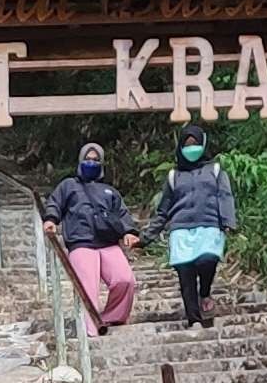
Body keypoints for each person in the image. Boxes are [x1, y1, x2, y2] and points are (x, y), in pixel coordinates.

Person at [40, 139, 138, 330]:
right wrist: (51, 219)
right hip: (81, 242)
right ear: (80, 160)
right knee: (88, 287)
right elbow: (55, 203)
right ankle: (90, 329)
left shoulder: (110, 191)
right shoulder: (68, 185)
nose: (91, 163)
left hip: (108, 242)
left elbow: (122, 213)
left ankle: (113, 317)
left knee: (124, 279)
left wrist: (130, 232)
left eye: (95, 160)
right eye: (87, 159)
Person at [155, 123, 235, 327]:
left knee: (208, 260)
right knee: (185, 273)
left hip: (209, 225)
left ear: (203, 144)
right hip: (180, 230)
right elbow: (163, 209)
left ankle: (205, 292)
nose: (191, 148)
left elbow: (225, 196)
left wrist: (228, 221)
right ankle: (194, 319)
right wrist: (146, 237)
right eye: (187, 144)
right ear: (180, 147)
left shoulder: (215, 170)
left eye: (195, 143)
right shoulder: (174, 176)